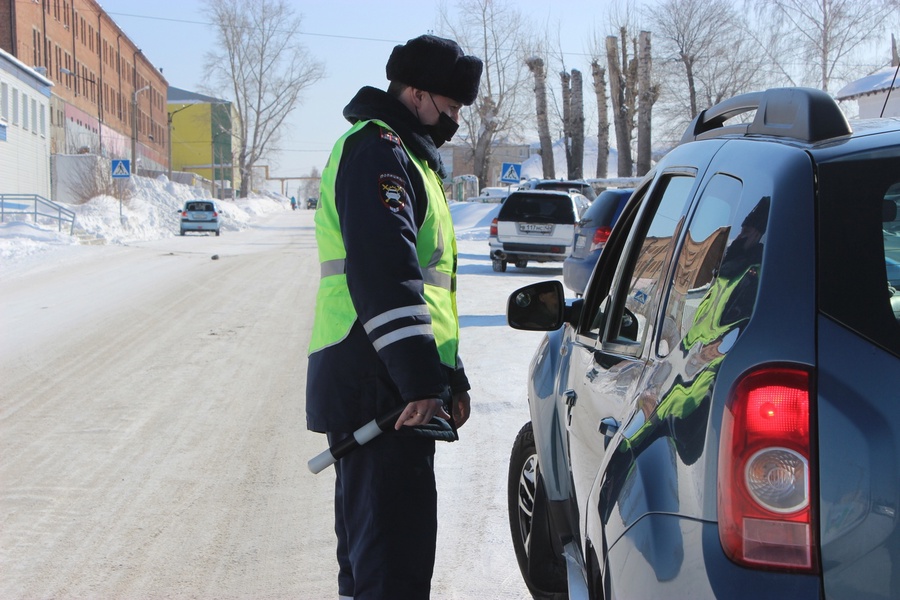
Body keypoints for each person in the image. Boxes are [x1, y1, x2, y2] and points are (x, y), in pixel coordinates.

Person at [305, 34, 482, 600]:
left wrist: (449, 377)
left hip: (392, 386)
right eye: (450, 109)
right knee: (390, 567)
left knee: (379, 560)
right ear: (417, 93)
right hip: (382, 389)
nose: (454, 121)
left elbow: (429, 293)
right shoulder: (378, 152)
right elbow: (386, 274)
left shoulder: (407, 157)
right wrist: (421, 380)